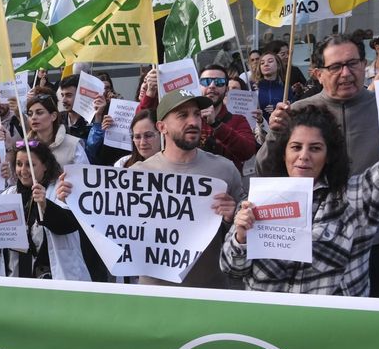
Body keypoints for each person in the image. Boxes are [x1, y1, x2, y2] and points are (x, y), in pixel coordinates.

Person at [258, 34, 379, 298]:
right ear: (317, 74)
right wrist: (275, 134)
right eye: (335, 67)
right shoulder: (298, 112)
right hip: (317, 244)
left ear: (364, 64)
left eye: (352, 63)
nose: (345, 73)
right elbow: (266, 173)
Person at [59, 90, 244, 288]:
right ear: (161, 127)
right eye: (183, 115)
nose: (193, 121)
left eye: (197, 114)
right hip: (156, 293)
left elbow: (244, 235)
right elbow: (109, 229)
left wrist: (232, 217)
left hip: (212, 290)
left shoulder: (225, 170)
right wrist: (74, 197)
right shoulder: (137, 175)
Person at [223, 105, 379, 295]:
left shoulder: (355, 196)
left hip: (331, 321)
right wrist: (241, 238)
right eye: (296, 147)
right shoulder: (260, 199)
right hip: (268, 320)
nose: (304, 156)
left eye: (315, 148)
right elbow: (232, 269)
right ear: (284, 153)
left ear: (329, 156)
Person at [0, 142, 91, 280]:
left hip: (54, 279)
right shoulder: (7, 195)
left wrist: (45, 205)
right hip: (18, 279)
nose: (23, 170)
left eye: (30, 165)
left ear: (45, 166)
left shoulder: (60, 189)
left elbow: (69, 225)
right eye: (19, 164)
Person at [198, 64, 257, 172]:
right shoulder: (189, 119)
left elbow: (248, 152)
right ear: (199, 86)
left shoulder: (238, 120)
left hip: (228, 185)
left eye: (219, 82)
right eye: (206, 81)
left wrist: (217, 125)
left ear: (226, 89)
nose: (212, 86)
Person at [23, 91, 88, 168]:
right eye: (30, 114)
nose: (33, 117)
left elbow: (83, 177)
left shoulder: (73, 145)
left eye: (39, 113)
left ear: (53, 116)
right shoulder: (24, 145)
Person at [252, 50, 291, 122]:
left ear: (278, 65)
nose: (266, 64)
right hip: (260, 129)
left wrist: (278, 108)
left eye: (270, 61)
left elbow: (292, 107)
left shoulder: (285, 87)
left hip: (280, 126)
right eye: (262, 63)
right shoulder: (253, 87)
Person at [58, 74, 91, 140]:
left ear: (81, 95)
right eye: (62, 95)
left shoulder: (92, 122)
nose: (63, 100)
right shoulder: (58, 119)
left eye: (69, 95)